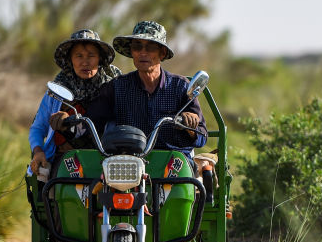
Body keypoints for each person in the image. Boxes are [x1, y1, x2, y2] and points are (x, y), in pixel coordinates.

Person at [82, 20, 207, 156]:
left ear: (162, 53)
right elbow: (89, 123)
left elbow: (202, 137)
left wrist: (190, 125)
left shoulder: (181, 87)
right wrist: (66, 122)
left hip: (173, 162)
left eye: (151, 47)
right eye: (137, 47)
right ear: (132, 52)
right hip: (129, 162)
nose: (143, 52)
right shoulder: (117, 87)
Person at [28, 29, 120, 178]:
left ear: (100, 59)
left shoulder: (113, 89)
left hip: (106, 161)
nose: (85, 62)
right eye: (79, 56)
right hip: (64, 161)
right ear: (70, 59)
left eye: (91, 55)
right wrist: (38, 152)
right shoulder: (56, 91)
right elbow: (38, 128)